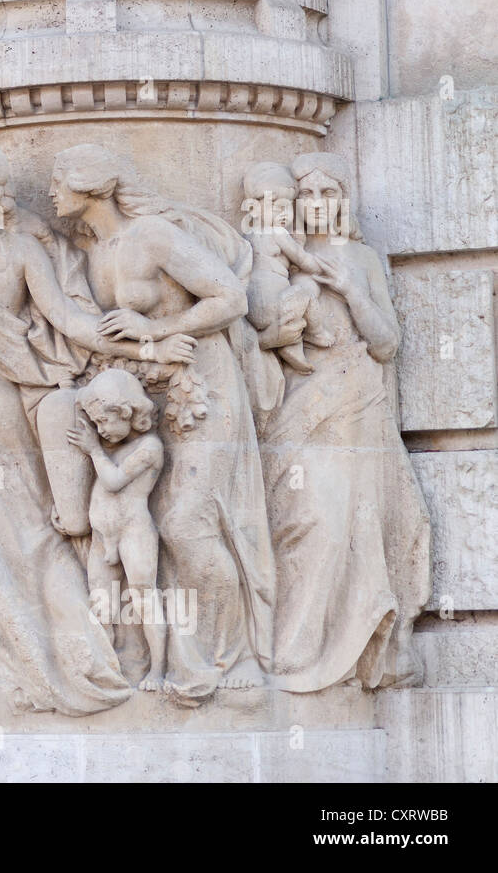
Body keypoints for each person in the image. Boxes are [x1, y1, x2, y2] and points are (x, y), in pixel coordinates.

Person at [0, 140, 193, 715]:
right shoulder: (23, 249)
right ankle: (68, 650)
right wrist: (154, 338)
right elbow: (76, 324)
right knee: (24, 531)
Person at [49, 144, 276, 703]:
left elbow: (230, 297)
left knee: (187, 522)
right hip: (139, 401)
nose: (52, 191)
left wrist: (158, 328)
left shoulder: (151, 234)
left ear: (92, 186)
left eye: (60, 181)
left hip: (200, 389)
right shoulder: (93, 250)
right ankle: (167, 655)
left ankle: (233, 653)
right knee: (149, 535)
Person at [259, 151, 431, 691]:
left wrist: (349, 290)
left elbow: (386, 343)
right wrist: (289, 313)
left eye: (327, 193)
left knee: (373, 523)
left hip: (359, 406)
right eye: (306, 194)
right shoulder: (275, 256)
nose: (316, 204)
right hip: (305, 408)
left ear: (342, 201)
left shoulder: (360, 259)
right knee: (312, 521)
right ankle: (293, 649)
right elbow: (259, 339)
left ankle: (366, 648)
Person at [67, 369, 166, 691]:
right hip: (102, 538)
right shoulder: (109, 447)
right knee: (101, 605)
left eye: (106, 421)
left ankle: (158, 670)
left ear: (129, 412)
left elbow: (112, 482)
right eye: (96, 424)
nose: (101, 429)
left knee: (144, 598)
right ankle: (108, 671)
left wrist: (94, 449)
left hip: (133, 533)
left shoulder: (150, 447)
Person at [240, 161, 333, 374]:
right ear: (253, 210)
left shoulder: (247, 237)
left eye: (287, 208)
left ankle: (291, 350)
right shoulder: (278, 233)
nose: (284, 214)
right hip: (276, 306)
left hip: (254, 311)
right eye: (277, 207)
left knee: (291, 309)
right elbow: (302, 260)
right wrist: (317, 265)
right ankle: (316, 332)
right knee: (304, 294)